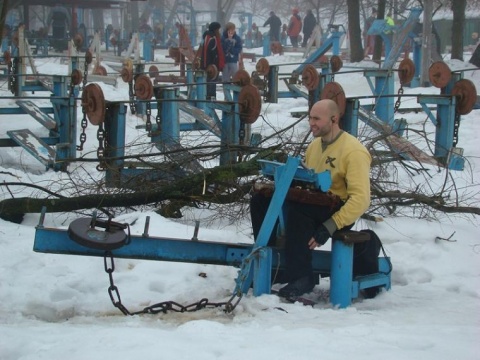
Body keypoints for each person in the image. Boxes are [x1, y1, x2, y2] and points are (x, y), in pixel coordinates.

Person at [250, 99, 372, 298]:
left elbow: (361, 199)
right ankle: (273, 266)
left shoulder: (353, 151)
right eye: (310, 118)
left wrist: (330, 226)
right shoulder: (314, 147)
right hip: (315, 202)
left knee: (301, 211)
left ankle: (302, 277)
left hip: (337, 209)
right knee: (261, 202)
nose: (311, 123)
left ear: (334, 119)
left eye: (317, 118)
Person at [201, 21, 225, 100]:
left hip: (206, 64)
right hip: (212, 66)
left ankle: (209, 97)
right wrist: (216, 65)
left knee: (208, 83)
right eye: (218, 30)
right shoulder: (213, 39)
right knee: (212, 83)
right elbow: (214, 53)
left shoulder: (206, 37)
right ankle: (211, 98)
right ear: (215, 30)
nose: (219, 32)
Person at [221, 22, 243, 97]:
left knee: (235, 78)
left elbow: (239, 48)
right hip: (225, 61)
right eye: (230, 30)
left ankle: (236, 96)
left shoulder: (237, 38)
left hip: (233, 61)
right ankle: (227, 96)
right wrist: (229, 41)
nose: (232, 32)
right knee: (225, 79)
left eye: (233, 30)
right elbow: (223, 49)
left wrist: (233, 50)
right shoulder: (223, 38)